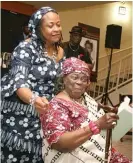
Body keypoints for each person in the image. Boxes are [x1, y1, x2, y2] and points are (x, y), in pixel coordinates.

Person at [1, 6, 64, 162]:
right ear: (38, 28)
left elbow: (60, 82)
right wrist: (33, 99)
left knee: (40, 155)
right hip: (20, 111)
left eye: (58, 24)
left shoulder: (60, 51)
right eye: (50, 25)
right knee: (18, 155)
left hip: (44, 112)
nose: (56, 29)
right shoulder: (25, 48)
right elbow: (19, 83)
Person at [40, 57, 131, 163]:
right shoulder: (55, 106)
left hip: (100, 153)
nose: (79, 82)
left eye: (84, 79)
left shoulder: (84, 97)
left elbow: (93, 112)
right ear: (64, 78)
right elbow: (60, 144)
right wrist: (97, 125)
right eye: (75, 77)